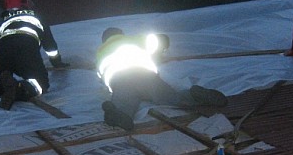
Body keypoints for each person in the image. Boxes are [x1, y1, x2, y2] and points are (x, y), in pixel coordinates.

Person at [95, 27, 227, 131]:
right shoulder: (132, 39)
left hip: (120, 80)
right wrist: (161, 42)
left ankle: (119, 115)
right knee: (169, 97)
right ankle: (194, 96)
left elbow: (101, 76)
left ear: (104, 40)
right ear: (121, 33)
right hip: (144, 74)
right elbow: (157, 41)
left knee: (124, 103)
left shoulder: (99, 52)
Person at [0, 0, 69, 110]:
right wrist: (57, 62)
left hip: (2, 48)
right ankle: (20, 89)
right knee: (40, 83)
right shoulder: (35, 17)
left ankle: (1, 85)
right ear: (24, 3)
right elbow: (50, 45)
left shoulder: (3, 23)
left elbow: (0, 42)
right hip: (25, 46)